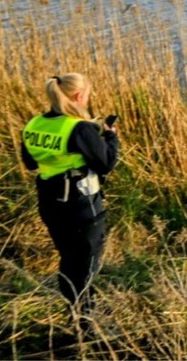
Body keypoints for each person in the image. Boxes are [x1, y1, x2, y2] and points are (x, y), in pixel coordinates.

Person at [20, 73, 119, 316]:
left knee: (69, 259)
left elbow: (30, 163)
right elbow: (106, 163)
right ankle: (85, 322)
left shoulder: (34, 125)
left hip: (50, 205)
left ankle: (79, 310)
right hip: (83, 209)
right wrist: (110, 137)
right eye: (87, 95)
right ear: (79, 96)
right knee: (86, 266)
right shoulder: (80, 128)